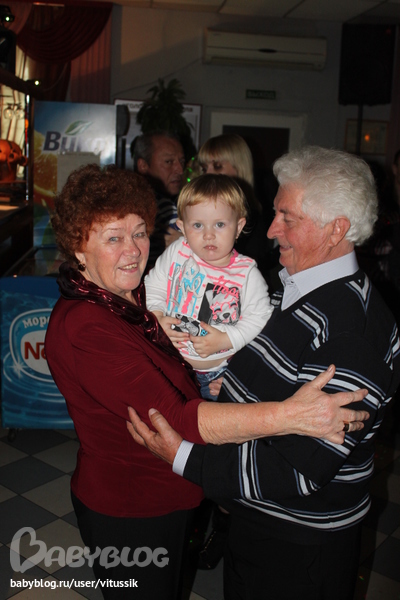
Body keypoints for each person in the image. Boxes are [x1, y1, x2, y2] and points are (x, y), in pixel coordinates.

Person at [127, 146, 400, 600]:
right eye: (275, 213)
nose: (271, 230)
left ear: (336, 229)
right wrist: (230, 382)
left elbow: (301, 469)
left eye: (286, 217)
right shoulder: (295, 286)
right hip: (258, 519)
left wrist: (185, 458)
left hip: (298, 542)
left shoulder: (353, 330)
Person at [145, 174, 273, 400]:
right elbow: (154, 285)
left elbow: (260, 317)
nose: (209, 235)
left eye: (220, 224)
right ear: (182, 227)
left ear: (238, 227)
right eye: (197, 225)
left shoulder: (246, 273)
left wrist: (226, 339)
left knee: (210, 421)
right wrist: (157, 316)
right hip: (169, 363)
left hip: (217, 375)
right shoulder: (178, 252)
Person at [196, 133, 273, 281]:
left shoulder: (253, 215)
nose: (208, 174)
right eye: (204, 169)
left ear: (240, 168)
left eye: (217, 167)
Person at [132, 130, 185, 267]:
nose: (179, 170)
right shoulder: (161, 206)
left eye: (181, 161)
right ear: (143, 165)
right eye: (168, 162)